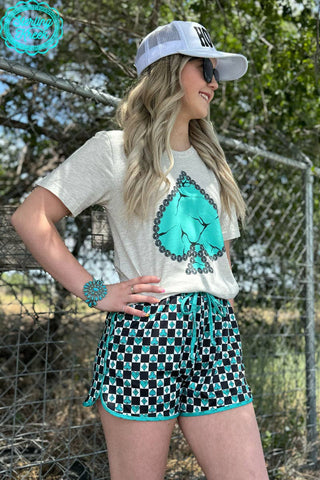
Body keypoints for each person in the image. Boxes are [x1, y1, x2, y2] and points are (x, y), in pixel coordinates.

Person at [11, 20, 269, 480]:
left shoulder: (213, 163)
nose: (214, 82)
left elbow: (219, 255)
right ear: (169, 71)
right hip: (147, 334)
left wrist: (218, 311)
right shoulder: (115, 151)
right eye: (205, 68)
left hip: (216, 336)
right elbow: (30, 218)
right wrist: (95, 292)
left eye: (216, 73)